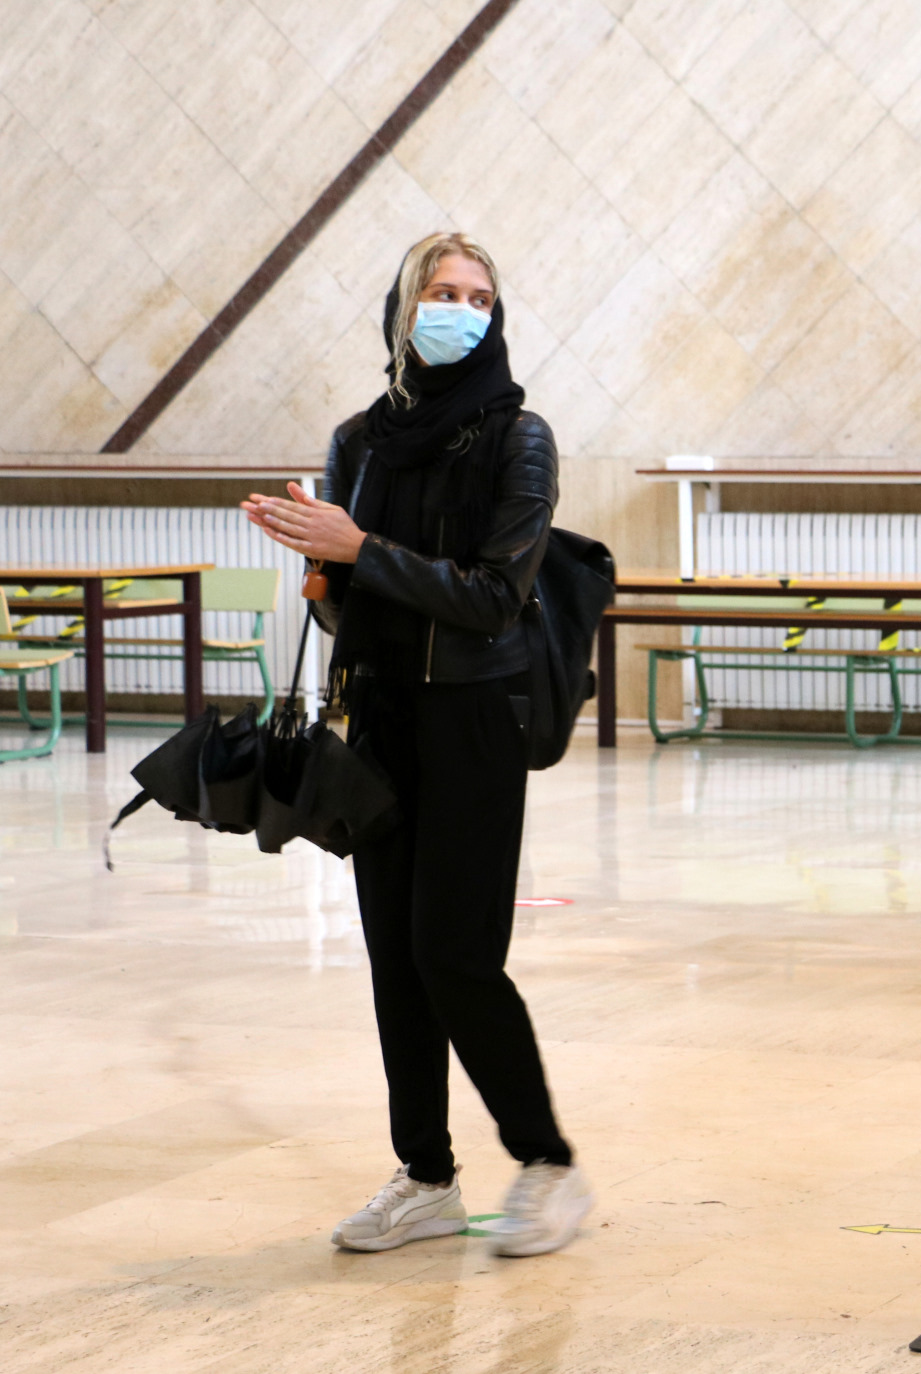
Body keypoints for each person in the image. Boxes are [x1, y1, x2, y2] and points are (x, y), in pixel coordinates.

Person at [241, 232, 592, 1258]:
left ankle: (546, 1163)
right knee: (395, 956)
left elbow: (492, 599)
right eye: (440, 291)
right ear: (402, 310)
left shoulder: (519, 439)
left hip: (476, 718)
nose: (459, 308)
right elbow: (358, 604)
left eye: (478, 296)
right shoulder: (360, 440)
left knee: (455, 954)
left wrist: (362, 551)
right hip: (380, 715)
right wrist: (322, 567)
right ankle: (426, 1176)